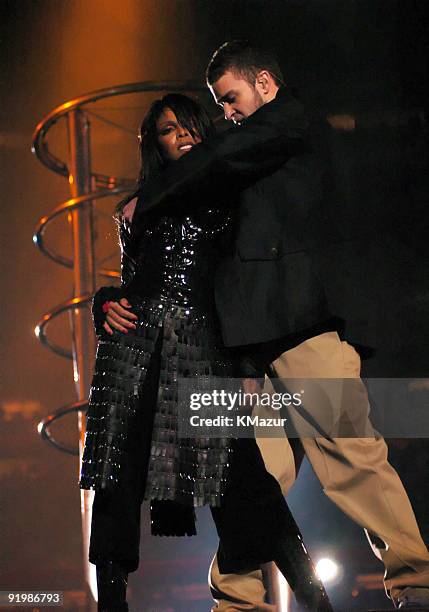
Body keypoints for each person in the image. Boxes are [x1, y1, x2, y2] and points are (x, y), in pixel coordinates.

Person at [122, 41, 429, 611]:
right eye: (220, 105)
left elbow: (223, 156)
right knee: (254, 481)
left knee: (352, 458)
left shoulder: (286, 122)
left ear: (264, 82)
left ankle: (416, 582)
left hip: (302, 327)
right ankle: (236, 602)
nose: (227, 113)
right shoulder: (239, 148)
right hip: (245, 349)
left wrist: (151, 197)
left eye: (231, 98)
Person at [81, 93, 332, 612]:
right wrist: (103, 302)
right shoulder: (136, 204)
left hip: (203, 352)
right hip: (133, 354)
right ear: (155, 143)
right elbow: (132, 281)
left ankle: (316, 600)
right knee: (115, 479)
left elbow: (246, 287)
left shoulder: (236, 196)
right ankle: (111, 606)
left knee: (247, 481)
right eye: (168, 130)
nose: (181, 134)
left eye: (189, 125)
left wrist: (246, 365)